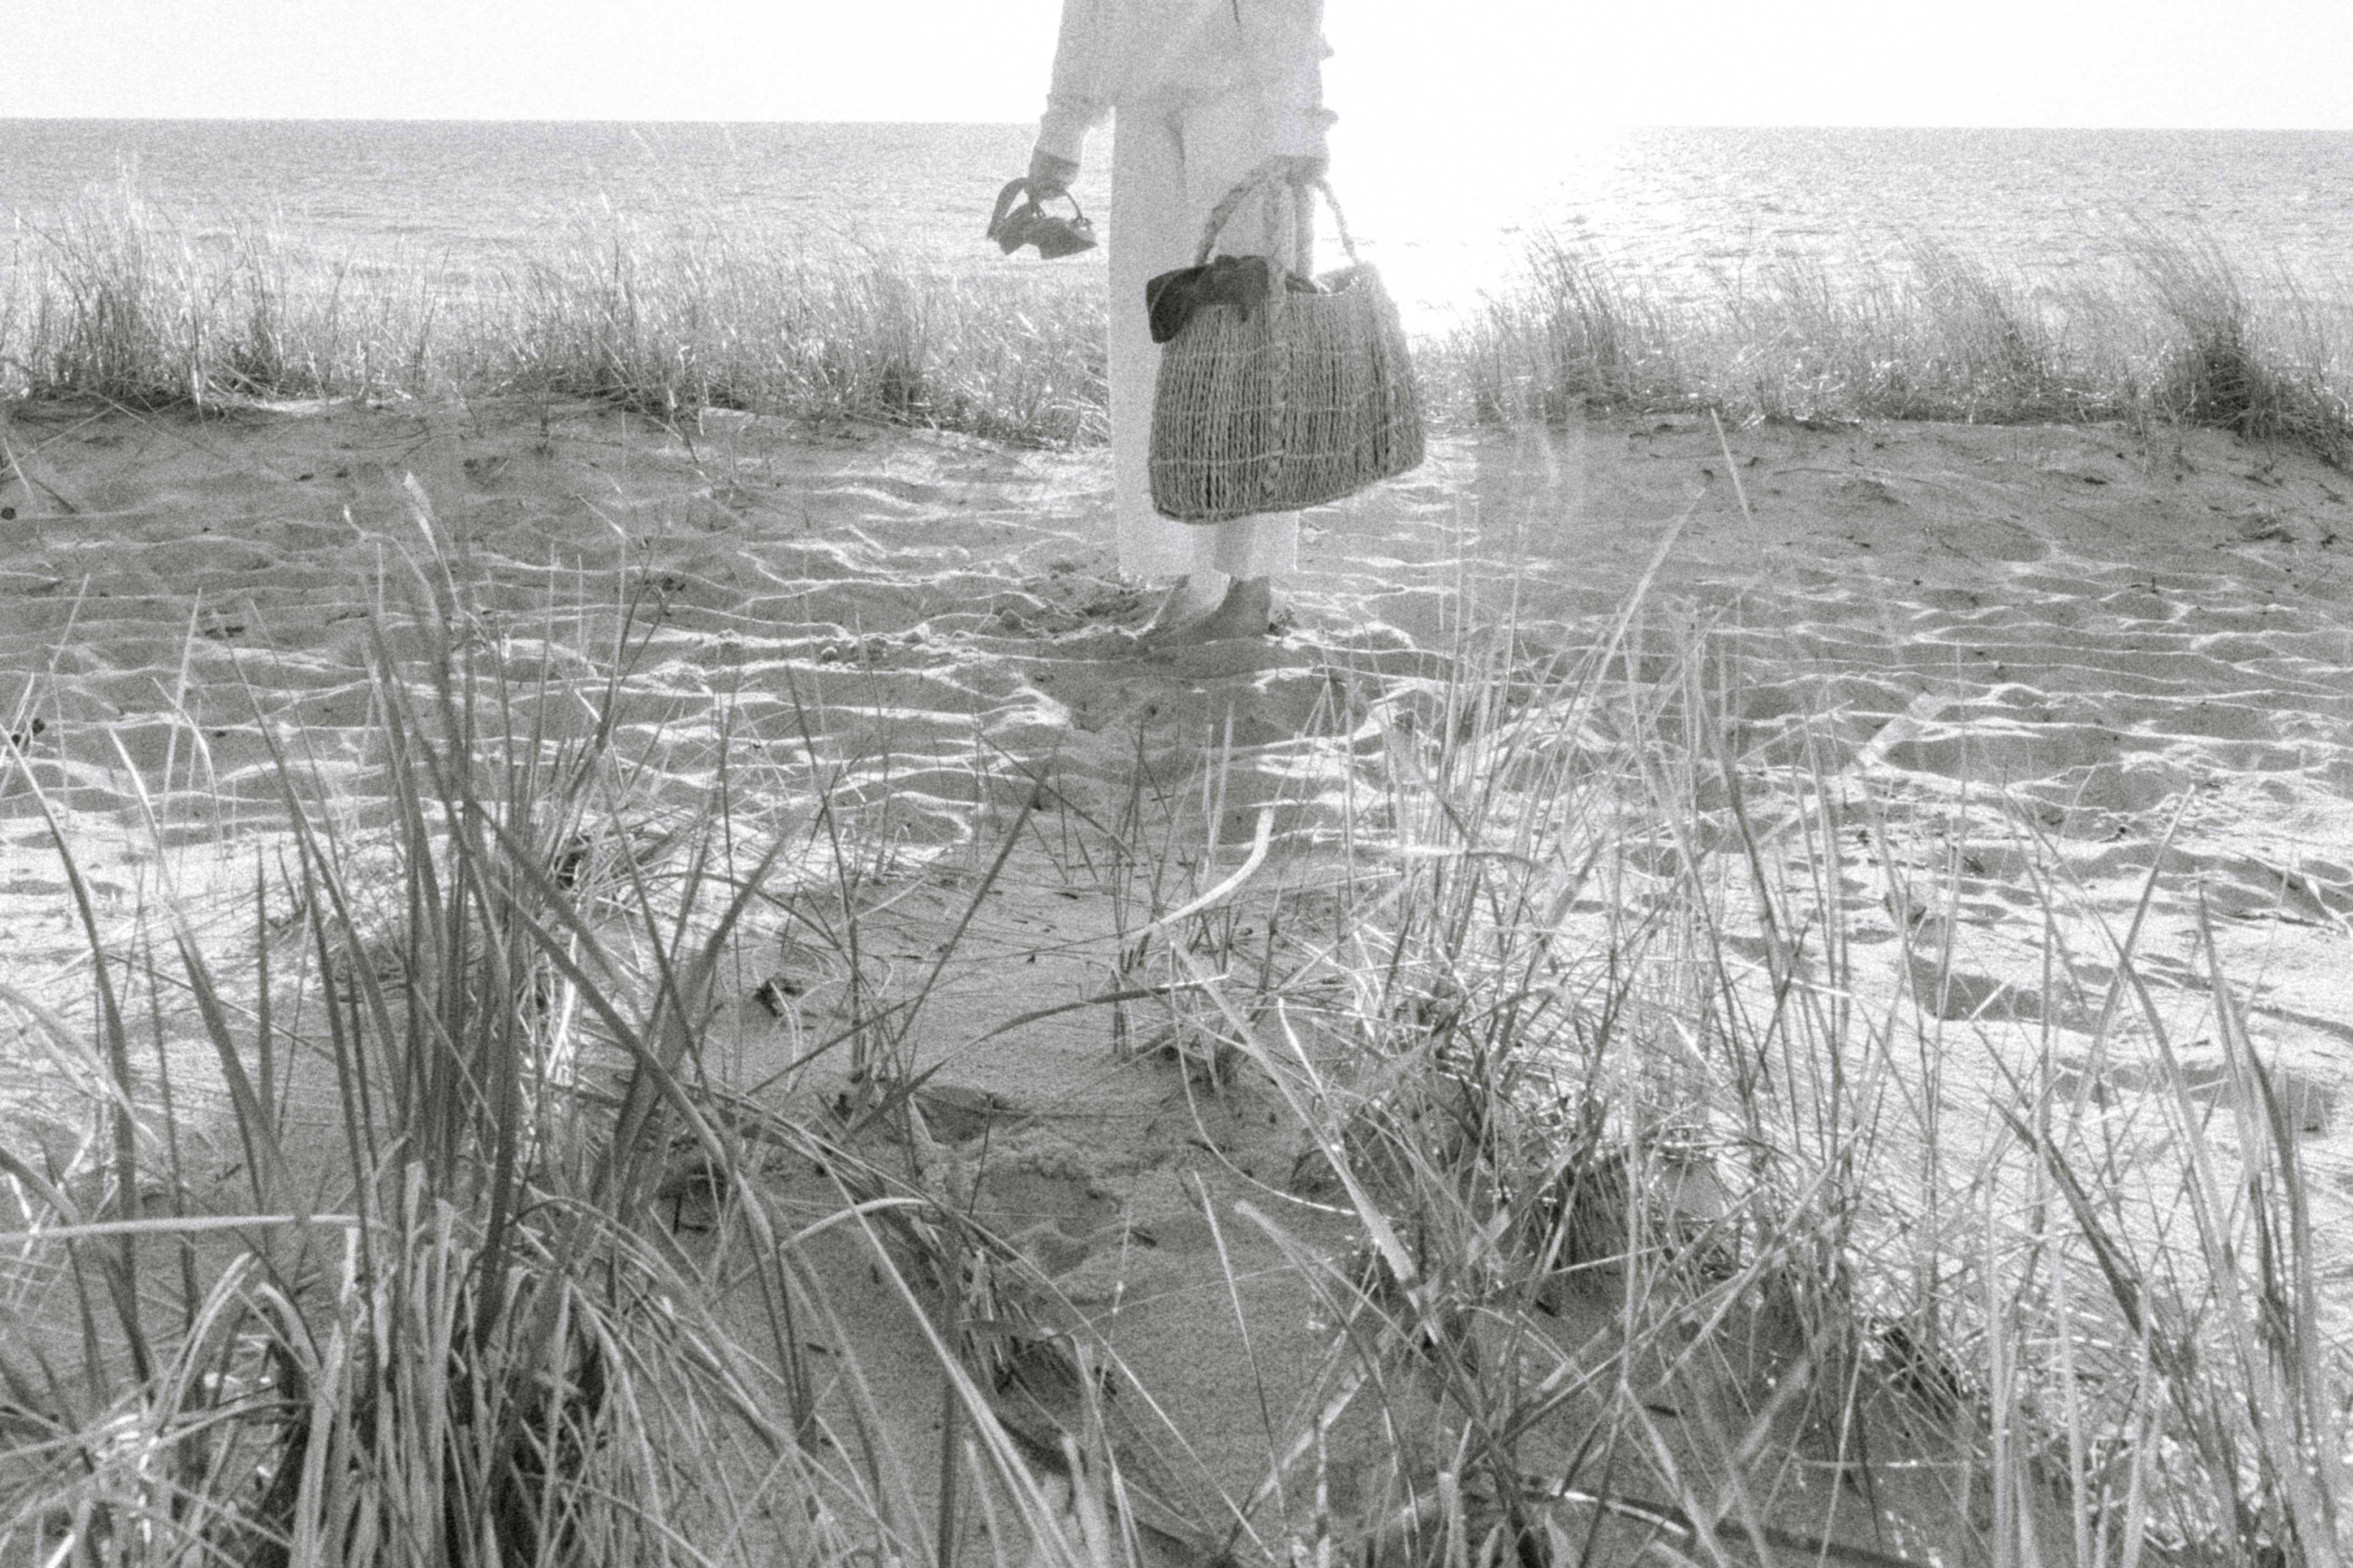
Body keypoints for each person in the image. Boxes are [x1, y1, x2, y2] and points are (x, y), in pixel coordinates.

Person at [1024, 0, 1335, 644]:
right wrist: (1063, 127)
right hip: (1142, 105)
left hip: (1244, 100)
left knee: (1251, 346)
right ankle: (1193, 576)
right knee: (1156, 345)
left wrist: (1302, 123)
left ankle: (1249, 585)